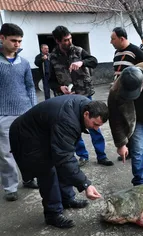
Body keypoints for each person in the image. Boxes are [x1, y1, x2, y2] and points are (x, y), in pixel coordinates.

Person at [9, 95, 104, 228]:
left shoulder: (85, 106)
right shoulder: (67, 119)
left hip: (43, 131)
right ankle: (52, 214)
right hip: (26, 136)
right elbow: (65, 157)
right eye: (95, 124)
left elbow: (65, 155)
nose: (96, 129)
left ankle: (67, 199)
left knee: (61, 165)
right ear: (86, 114)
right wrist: (85, 184)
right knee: (47, 171)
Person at [49, 25, 113, 167]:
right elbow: (50, 80)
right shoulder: (52, 57)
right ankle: (82, 155)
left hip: (85, 96)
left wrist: (82, 62)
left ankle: (101, 155)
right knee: (73, 128)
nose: (69, 42)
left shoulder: (78, 50)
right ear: (57, 41)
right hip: (67, 99)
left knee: (94, 125)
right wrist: (60, 87)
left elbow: (94, 61)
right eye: (65, 40)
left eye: (70, 38)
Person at [0, 23, 38, 201]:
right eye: (13, 40)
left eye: (20, 41)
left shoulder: (24, 63)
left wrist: (33, 109)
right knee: (6, 154)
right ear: (2, 38)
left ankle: (29, 178)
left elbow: (30, 87)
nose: (17, 44)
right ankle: (10, 187)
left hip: (25, 113)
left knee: (28, 150)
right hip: (3, 115)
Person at [110, 27, 143, 162]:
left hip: (135, 95)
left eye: (113, 39)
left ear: (122, 38)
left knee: (139, 122)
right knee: (124, 122)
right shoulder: (117, 53)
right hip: (122, 95)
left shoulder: (136, 52)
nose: (111, 42)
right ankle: (128, 150)